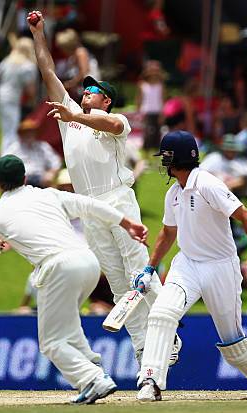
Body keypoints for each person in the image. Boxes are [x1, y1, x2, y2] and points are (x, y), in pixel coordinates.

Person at [27, 11, 180, 368]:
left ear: (106, 98)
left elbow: (109, 124)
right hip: (88, 206)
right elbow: (48, 71)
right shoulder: (70, 115)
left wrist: (74, 117)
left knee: (139, 272)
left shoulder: (115, 120)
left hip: (117, 198)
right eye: (84, 91)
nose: (85, 93)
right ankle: (145, 348)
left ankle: (168, 334)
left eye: (92, 91)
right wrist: (38, 34)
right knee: (116, 282)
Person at [0, 155, 148, 404]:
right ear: (25, 177)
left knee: (50, 342)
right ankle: (93, 365)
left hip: (58, 268)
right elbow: (89, 205)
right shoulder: (48, 194)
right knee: (68, 326)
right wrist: (127, 222)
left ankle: (92, 378)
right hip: (88, 262)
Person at [135, 131, 247, 401]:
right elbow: (167, 233)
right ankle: (150, 381)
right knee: (161, 315)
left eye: (165, 157)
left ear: (174, 158)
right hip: (186, 265)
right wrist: (149, 268)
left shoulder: (208, 184)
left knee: (231, 336)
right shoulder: (173, 193)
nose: (163, 163)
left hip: (220, 266)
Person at [0, 37, 38, 155]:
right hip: (12, 99)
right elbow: (30, 89)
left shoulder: (7, 61)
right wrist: (34, 102)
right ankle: (7, 157)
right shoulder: (28, 66)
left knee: (7, 130)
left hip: (0, 97)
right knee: (11, 132)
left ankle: (7, 156)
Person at [4, 119, 61, 188]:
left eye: (31, 132)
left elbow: (55, 161)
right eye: (26, 132)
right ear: (21, 134)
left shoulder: (42, 146)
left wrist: (51, 173)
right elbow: (5, 164)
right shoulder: (14, 148)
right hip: (22, 179)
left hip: (41, 178)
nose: (29, 135)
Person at [136, 60, 165, 149]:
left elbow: (162, 99)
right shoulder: (142, 85)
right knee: (148, 131)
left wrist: (162, 113)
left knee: (157, 131)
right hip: (146, 111)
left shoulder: (160, 85)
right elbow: (139, 99)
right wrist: (138, 111)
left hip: (157, 111)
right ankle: (146, 148)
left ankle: (156, 148)